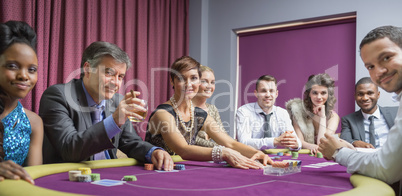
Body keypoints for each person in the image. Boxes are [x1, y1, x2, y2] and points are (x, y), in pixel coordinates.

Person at [39, 41, 173, 171]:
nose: (116, 83)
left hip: (109, 176)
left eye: (120, 76)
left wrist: (153, 151)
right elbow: (69, 149)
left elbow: (132, 143)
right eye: (109, 73)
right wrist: (114, 121)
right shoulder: (58, 96)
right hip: (69, 180)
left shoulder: (118, 102)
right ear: (87, 69)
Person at [145, 56, 272, 169]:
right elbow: (183, 150)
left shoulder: (199, 114)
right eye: (181, 78)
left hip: (179, 169)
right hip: (154, 171)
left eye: (194, 78)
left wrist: (257, 154)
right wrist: (222, 152)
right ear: (172, 81)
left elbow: (230, 143)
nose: (189, 84)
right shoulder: (163, 113)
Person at [318, 25, 402, 185]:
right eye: (370, 66)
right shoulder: (348, 119)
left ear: (378, 95)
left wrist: (337, 152)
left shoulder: (394, 110)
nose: (379, 71)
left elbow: (386, 168)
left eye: (386, 57)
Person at [0, 21, 43, 184]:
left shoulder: (34, 123)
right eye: (12, 66)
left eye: (31, 70)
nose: (24, 76)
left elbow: (34, 179)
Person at [236, 75, 301, 151]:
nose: (268, 95)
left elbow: (297, 142)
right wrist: (275, 141)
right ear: (256, 93)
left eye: (271, 91)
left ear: (276, 94)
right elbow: (244, 142)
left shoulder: (282, 113)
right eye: (263, 91)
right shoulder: (244, 111)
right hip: (249, 158)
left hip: (274, 159)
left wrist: (295, 144)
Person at [286, 73, 340, 154]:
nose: (319, 97)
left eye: (323, 93)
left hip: (325, 156)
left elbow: (322, 143)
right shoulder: (298, 111)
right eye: (315, 93)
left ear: (329, 94)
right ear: (309, 94)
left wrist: (322, 117)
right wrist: (312, 146)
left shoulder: (333, 117)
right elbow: (299, 140)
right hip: (303, 154)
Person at [340, 77, 397, 149]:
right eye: (360, 94)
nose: (365, 98)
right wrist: (354, 143)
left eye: (370, 93)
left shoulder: (396, 112)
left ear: (378, 94)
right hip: (366, 158)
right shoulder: (348, 120)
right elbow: (344, 139)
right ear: (355, 96)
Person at [192, 65, 225, 147]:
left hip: (210, 156)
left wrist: (237, 147)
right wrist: (222, 148)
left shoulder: (212, 109)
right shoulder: (186, 108)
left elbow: (223, 137)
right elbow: (193, 140)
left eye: (212, 82)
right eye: (204, 81)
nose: (209, 86)